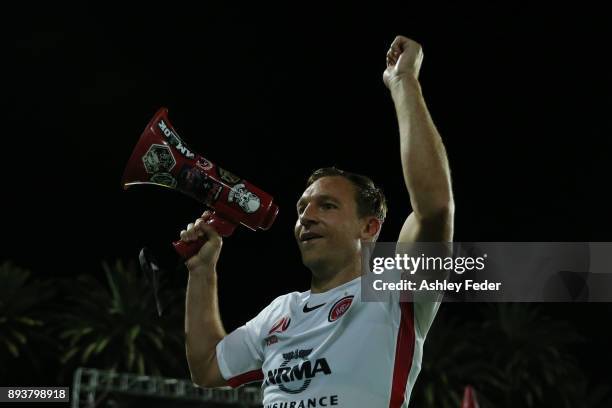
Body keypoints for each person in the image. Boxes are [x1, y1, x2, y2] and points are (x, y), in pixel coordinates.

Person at [182, 35, 454, 407]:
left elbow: (435, 208)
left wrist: (404, 81)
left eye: (327, 206)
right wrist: (202, 270)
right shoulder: (280, 313)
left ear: (369, 227)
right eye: (302, 208)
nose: (307, 217)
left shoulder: (395, 291)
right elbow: (207, 367)